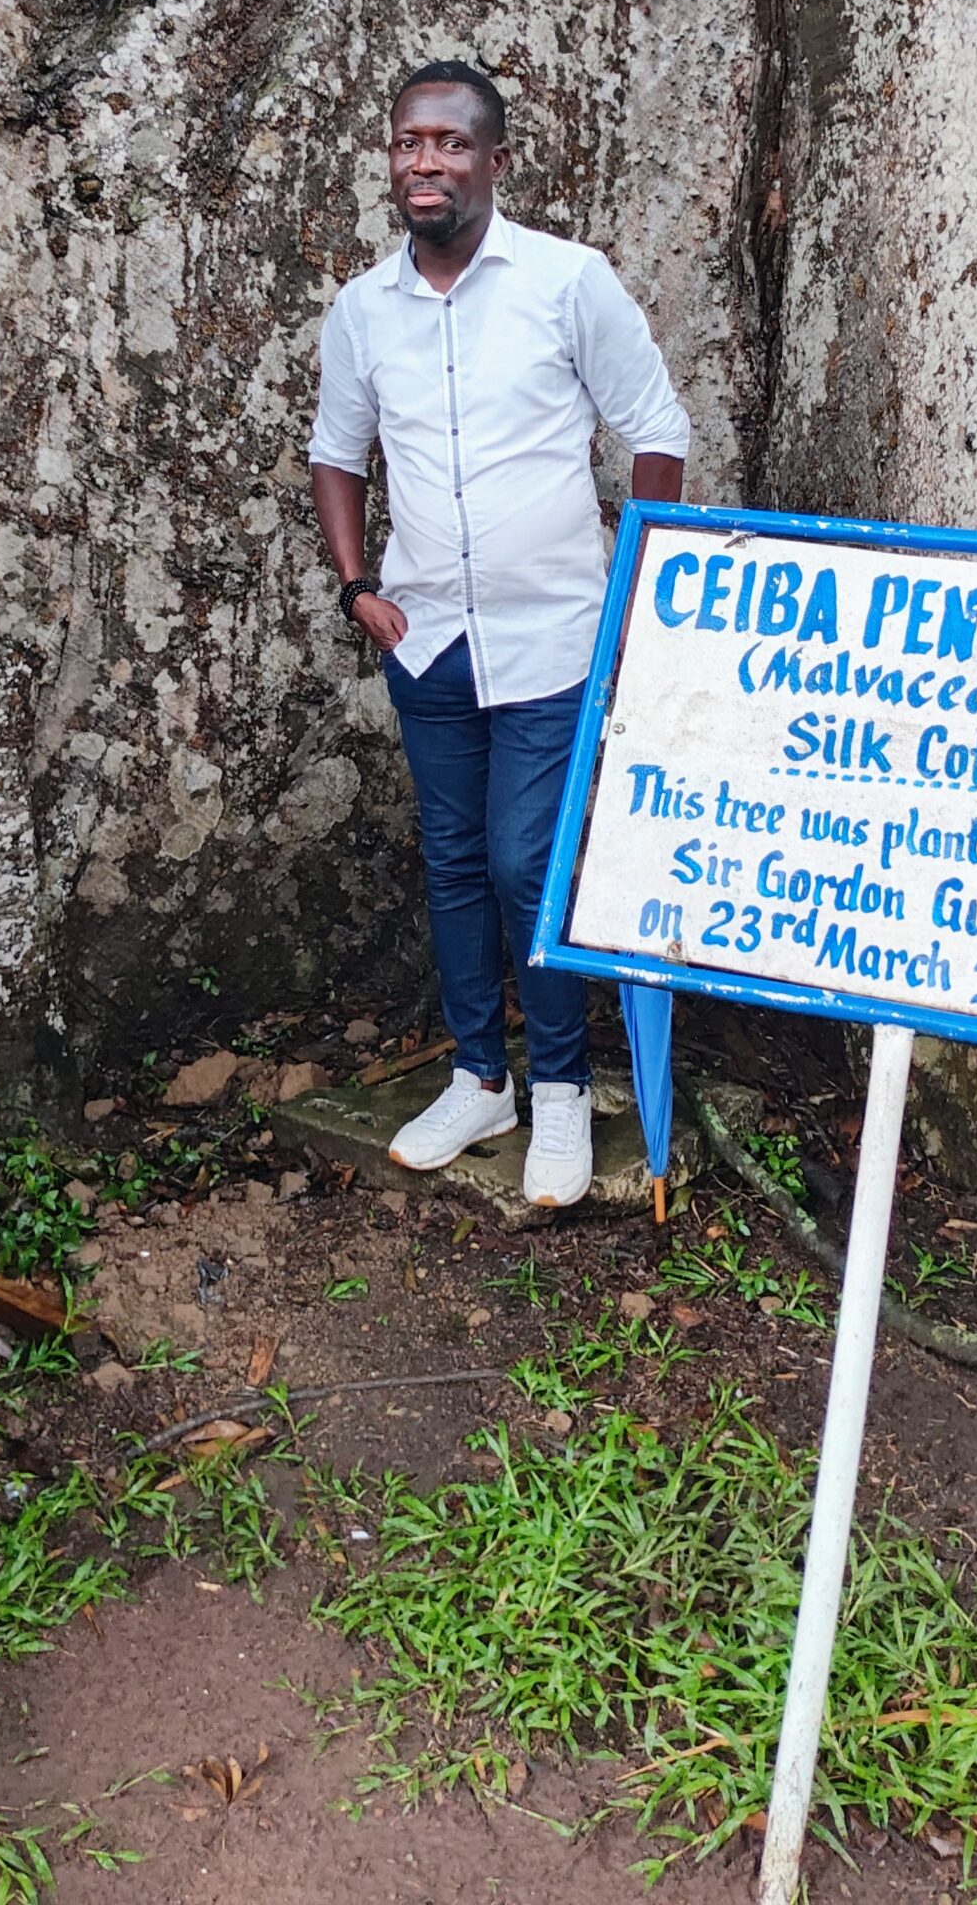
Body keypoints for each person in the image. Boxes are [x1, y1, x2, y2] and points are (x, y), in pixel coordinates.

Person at [308, 59, 689, 1207]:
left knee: (533, 862)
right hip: (427, 637)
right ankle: (483, 1075)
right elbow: (338, 452)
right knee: (458, 862)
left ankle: (562, 1088)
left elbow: (655, 427)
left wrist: (637, 587)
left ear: (494, 161)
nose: (427, 161)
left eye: (452, 144)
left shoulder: (568, 284)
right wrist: (355, 582)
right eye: (410, 142)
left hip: (557, 634)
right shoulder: (365, 309)